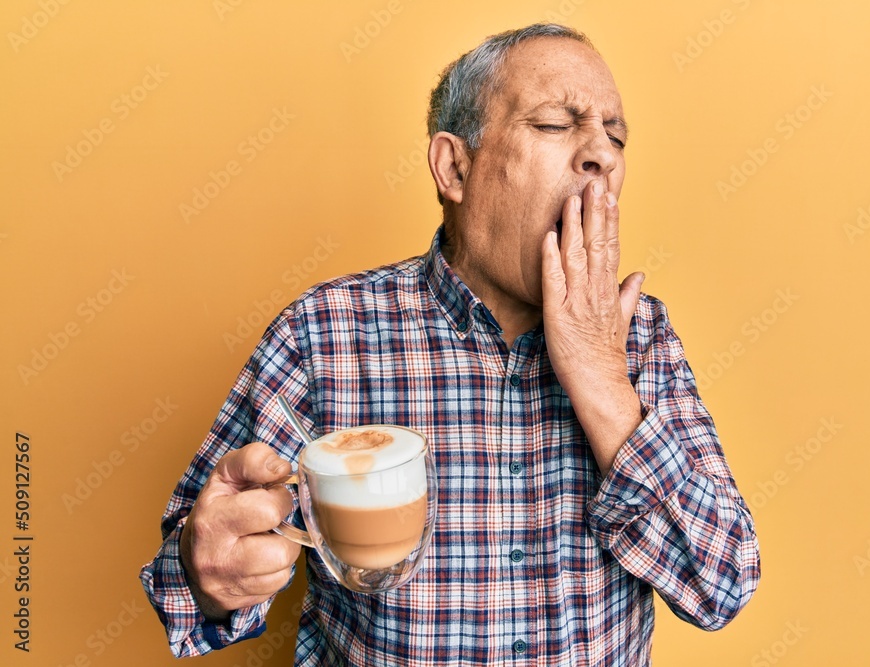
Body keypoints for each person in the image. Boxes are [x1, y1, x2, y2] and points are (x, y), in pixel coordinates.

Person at [140, 23, 760, 666]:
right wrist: (206, 572)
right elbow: (184, 586)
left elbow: (723, 584)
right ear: (455, 166)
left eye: (617, 136)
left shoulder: (641, 338)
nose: (601, 153)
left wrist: (600, 376)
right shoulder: (323, 333)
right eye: (555, 124)